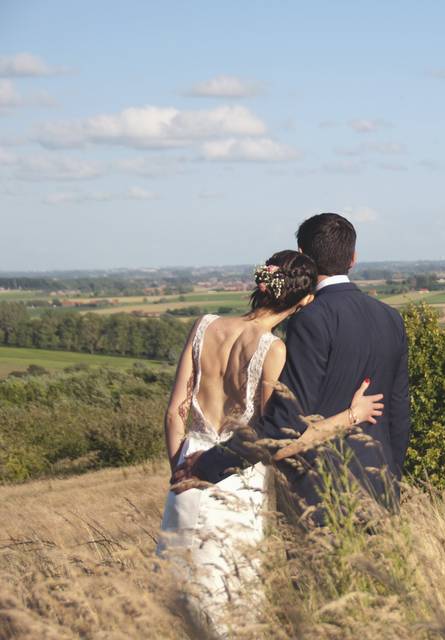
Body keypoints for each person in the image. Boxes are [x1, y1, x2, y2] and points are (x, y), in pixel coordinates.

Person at [157, 249, 383, 638]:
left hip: (186, 470)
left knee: (177, 598)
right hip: (235, 482)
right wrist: (353, 415)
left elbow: (175, 409)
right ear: (306, 299)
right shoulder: (271, 349)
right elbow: (279, 442)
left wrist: (181, 464)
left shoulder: (204, 326)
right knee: (229, 600)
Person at [174, 212, 412, 523]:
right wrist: (390, 480)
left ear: (303, 255)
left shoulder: (310, 319)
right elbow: (399, 414)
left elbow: (284, 425)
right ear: (353, 259)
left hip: (318, 493)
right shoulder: (391, 317)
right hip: (380, 487)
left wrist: (206, 465)